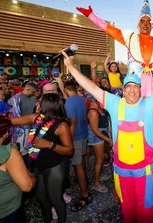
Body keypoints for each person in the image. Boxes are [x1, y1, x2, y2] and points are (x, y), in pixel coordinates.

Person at [61, 48, 153, 222]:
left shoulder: (152, 104)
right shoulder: (115, 103)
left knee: (146, 214)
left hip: (144, 175)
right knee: (127, 213)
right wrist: (71, 68)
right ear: (123, 90)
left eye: (135, 87)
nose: (132, 91)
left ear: (141, 90)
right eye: (128, 87)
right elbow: (91, 87)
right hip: (122, 173)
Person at [9, 94, 73, 223]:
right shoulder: (36, 118)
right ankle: (47, 220)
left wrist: (50, 144)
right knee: (41, 197)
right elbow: (12, 121)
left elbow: (69, 149)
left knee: (55, 198)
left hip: (56, 165)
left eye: (40, 102)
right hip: (39, 164)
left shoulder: (61, 125)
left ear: (46, 106)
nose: (37, 104)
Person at [0, 114, 36, 222]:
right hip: (6, 214)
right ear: (6, 132)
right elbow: (27, 186)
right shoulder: (7, 152)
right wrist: (32, 177)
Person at [63, 81, 91, 212]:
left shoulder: (69, 102)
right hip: (84, 134)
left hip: (76, 138)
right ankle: (84, 185)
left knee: (78, 166)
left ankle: (85, 195)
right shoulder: (81, 99)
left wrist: (68, 141)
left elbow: (72, 121)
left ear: (66, 90)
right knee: (81, 164)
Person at [8, 82, 38, 167]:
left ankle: (31, 166)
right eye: (32, 92)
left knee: (31, 149)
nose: (33, 94)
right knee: (22, 150)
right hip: (19, 130)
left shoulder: (32, 98)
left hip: (31, 127)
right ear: (27, 89)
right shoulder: (15, 99)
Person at [87, 97, 112, 192]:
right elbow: (95, 130)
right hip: (96, 137)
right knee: (100, 159)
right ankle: (96, 183)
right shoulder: (93, 111)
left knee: (99, 158)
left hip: (102, 135)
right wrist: (107, 139)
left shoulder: (99, 107)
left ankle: (99, 175)